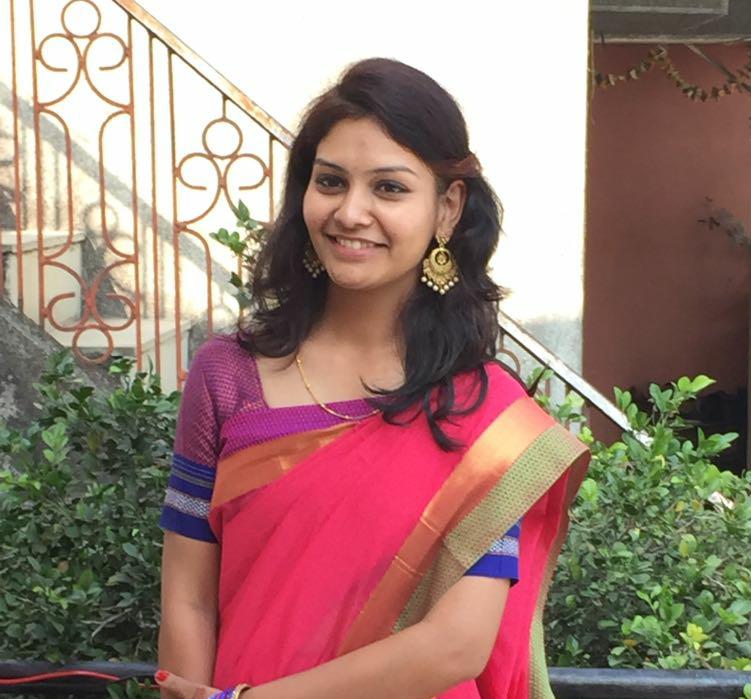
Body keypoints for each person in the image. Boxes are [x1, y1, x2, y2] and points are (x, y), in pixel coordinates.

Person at [155, 58, 590, 699]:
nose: (350, 212)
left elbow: (457, 644)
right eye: (330, 182)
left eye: (388, 188)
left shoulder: (484, 413)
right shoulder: (229, 375)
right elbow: (188, 599)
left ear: (447, 209)